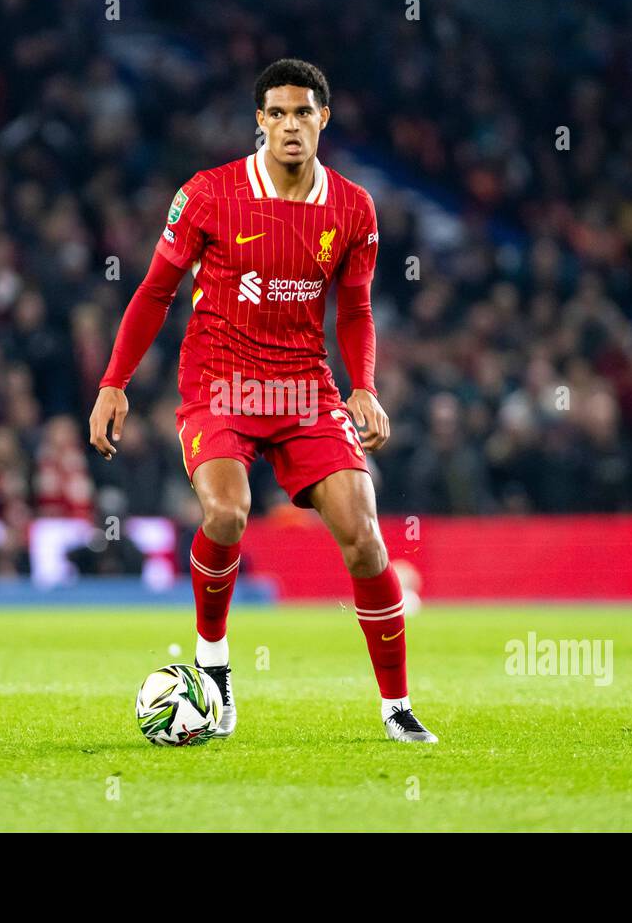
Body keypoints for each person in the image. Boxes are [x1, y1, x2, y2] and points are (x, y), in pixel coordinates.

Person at [88, 59, 436, 743]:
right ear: (259, 121)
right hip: (219, 381)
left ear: (323, 119)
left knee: (365, 540)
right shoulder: (210, 195)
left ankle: (397, 705)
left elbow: (357, 309)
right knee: (226, 510)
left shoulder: (354, 208)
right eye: (276, 113)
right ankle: (213, 665)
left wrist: (363, 385)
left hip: (306, 388)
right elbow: (156, 290)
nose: (289, 126)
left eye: (302, 112)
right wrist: (114, 382)